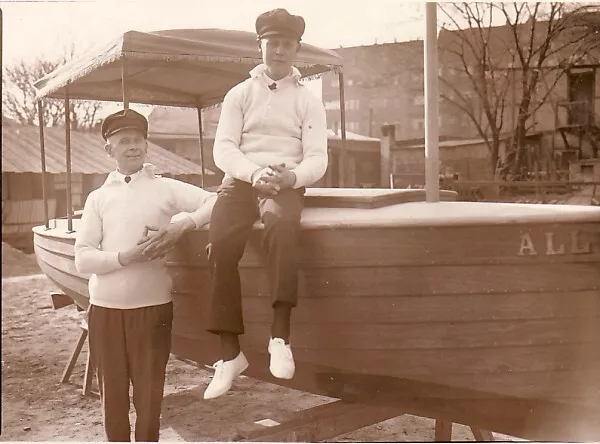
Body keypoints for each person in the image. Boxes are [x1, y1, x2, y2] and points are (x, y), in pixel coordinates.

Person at [203, 8, 328, 400]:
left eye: (287, 44)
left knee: (281, 228)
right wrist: (253, 174)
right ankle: (229, 353)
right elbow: (223, 148)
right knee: (221, 242)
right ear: (260, 45)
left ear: (297, 49)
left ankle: (280, 335)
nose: (279, 51)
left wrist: (290, 178)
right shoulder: (239, 94)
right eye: (272, 43)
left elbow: (318, 157)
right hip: (242, 180)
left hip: (285, 182)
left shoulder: (308, 100)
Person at [74, 109, 216, 442]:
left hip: (152, 312)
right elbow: (82, 259)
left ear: (147, 145)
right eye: (124, 142)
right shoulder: (98, 198)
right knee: (113, 400)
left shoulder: (165, 188)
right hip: (105, 313)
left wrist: (182, 225)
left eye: (138, 140)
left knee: (150, 400)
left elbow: (215, 200)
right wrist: (127, 257)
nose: (133, 147)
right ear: (109, 150)